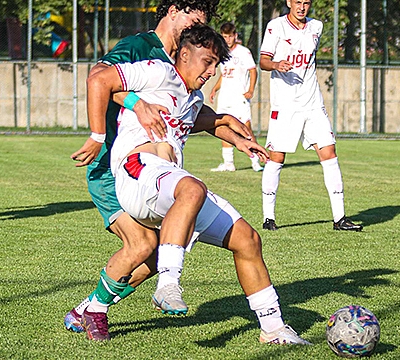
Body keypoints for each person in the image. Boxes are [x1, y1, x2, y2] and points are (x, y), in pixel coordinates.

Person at [88, 24, 310, 345]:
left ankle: (273, 328)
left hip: (164, 185)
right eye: (206, 62)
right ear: (184, 54)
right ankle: (168, 286)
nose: (211, 71)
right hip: (136, 170)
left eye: (216, 65)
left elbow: (204, 120)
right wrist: (99, 134)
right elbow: (99, 78)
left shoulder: (191, 97)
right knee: (191, 189)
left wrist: (239, 140)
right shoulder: (157, 71)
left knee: (247, 239)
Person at [64, 0, 258, 335]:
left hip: (152, 168)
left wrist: (226, 124)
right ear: (172, 10)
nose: (197, 26)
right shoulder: (139, 47)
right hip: (114, 166)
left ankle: (88, 308)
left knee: (160, 252)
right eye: (194, 18)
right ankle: (94, 309)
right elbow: (98, 78)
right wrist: (136, 104)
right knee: (143, 246)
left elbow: (187, 114)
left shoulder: (185, 64)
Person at [258, 0, 362, 232]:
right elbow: (263, 61)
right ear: (289, 3)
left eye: (306, 3)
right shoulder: (276, 26)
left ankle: (340, 218)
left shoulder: (317, 26)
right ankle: (268, 217)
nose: (302, 7)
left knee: (329, 152)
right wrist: (276, 64)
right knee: (277, 157)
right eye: (298, 2)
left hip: (313, 103)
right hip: (285, 105)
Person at [209, 22, 262, 172]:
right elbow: (224, 74)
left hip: (239, 98)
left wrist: (250, 90)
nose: (227, 39)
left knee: (245, 129)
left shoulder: (243, 52)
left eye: (230, 36)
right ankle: (228, 163)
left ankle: (255, 160)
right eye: (224, 36)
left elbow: (253, 71)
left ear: (235, 36)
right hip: (225, 98)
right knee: (222, 126)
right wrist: (215, 89)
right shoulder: (221, 52)